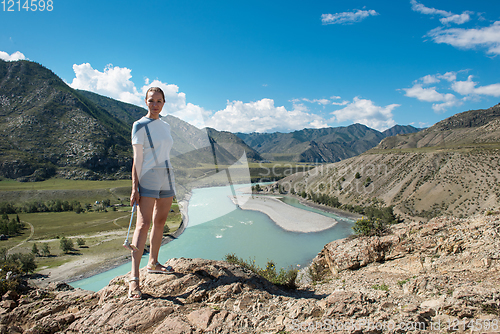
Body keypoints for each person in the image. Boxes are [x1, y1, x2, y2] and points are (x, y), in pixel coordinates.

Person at [128, 87, 176, 300]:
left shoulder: (166, 126)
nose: (155, 104)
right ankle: (134, 280)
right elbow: (137, 159)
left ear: (164, 102)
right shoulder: (139, 125)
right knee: (143, 224)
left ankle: (153, 263)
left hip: (166, 175)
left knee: (160, 221)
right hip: (147, 176)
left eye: (159, 100)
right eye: (151, 100)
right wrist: (134, 187)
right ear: (145, 102)